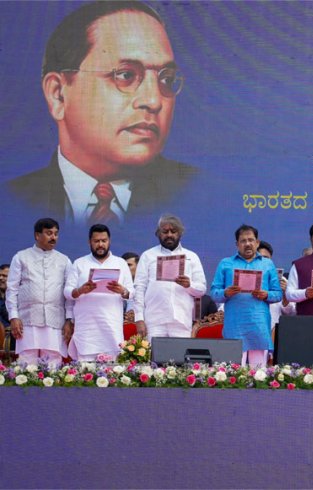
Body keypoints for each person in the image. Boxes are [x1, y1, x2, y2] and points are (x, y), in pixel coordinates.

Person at [7, 1, 196, 226]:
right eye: (126, 75)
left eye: (166, 79)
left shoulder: (198, 191)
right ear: (58, 94)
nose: (154, 101)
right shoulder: (11, 200)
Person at [210, 225, 282, 367]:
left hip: (258, 325)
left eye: (251, 240)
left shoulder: (267, 264)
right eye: (243, 241)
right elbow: (214, 293)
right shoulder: (226, 264)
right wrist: (226, 293)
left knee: (258, 374)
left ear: (257, 242)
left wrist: (266, 294)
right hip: (235, 325)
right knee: (234, 373)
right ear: (237, 244)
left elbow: (278, 294)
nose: (247, 244)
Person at [5, 218, 73, 366]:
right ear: (37, 235)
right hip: (27, 320)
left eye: (56, 233)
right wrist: (14, 317)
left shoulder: (64, 260)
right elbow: (12, 290)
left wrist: (69, 320)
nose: (53, 237)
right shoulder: (21, 257)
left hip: (55, 321)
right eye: (49, 233)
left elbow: (68, 294)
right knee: (27, 365)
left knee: (53, 363)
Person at [64, 224, 133, 360]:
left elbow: (132, 292)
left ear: (109, 241)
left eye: (104, 241)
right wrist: (80, 290)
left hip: (111, 325)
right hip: (87, 328)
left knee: (113, 370)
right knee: (85, 371)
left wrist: (122, 291)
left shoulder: (120, 263)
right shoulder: (79, 263)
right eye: (96, 241)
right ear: (89, 242)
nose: (100, 244)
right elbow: (67, 292)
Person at [133, 214, 206, 339]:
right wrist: (139, 318)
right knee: (153, 358)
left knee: (180, 358)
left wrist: (189, 285)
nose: (169, 235)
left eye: (173, 231)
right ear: (158, 234)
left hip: (181, 321)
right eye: (165, 231)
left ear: (180, 233)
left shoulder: (191, 257)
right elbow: (139, 289)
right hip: (154, 321)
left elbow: (202, 289)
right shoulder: (148, 256)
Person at [256, 240, 295, 327]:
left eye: (266, 258)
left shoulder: (282, 280)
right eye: (259, 258)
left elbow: (291, 313)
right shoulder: (245, 278)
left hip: (274, 332)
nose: (263, 261)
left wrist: (285, 294)